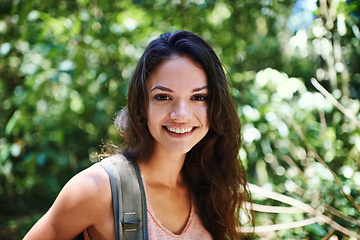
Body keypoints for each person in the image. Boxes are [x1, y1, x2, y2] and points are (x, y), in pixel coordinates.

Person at [24, 30, 252, 240]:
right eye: (163, 97)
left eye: (199, 97)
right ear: (142, 105)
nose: (181, 114)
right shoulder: (97, 188)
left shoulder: (207, 184)